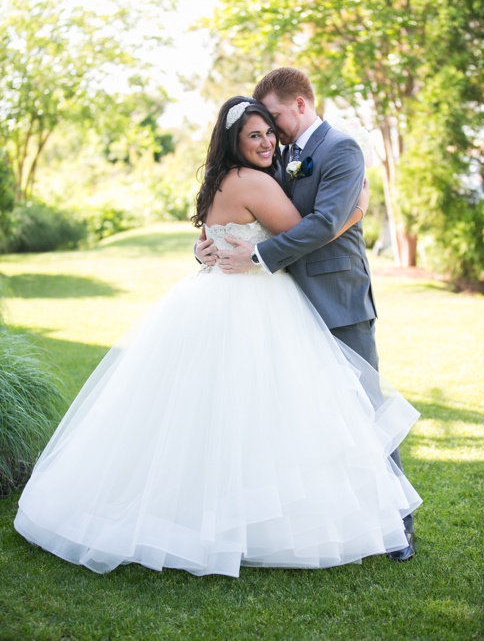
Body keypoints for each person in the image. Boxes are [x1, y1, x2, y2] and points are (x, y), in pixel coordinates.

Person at [14, 96, 421, 577]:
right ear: (235, 142)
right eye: (255, 135)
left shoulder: (220, 180)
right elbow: (306, 230)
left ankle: (224, 514)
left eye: (270, 131)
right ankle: (318, 519)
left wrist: (211, 245)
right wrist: (355, 211)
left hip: (220, 295)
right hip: (256, 303)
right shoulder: (250, 180)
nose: (268, 140)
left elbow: (227, 232)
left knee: (224, 416)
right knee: (289, 411)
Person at [197, 69, 416, 561]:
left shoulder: (341, 148)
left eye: (273, 119)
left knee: (366, 409)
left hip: (337, 297)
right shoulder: (276, 157)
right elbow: (250, 214)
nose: (269, 133)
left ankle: (399, 525)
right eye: (260, 128)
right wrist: (210, 245)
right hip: (284, 303)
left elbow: (323, 222)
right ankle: (331, 517)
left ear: (299, 104)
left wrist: (345, 219)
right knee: (312, 418)